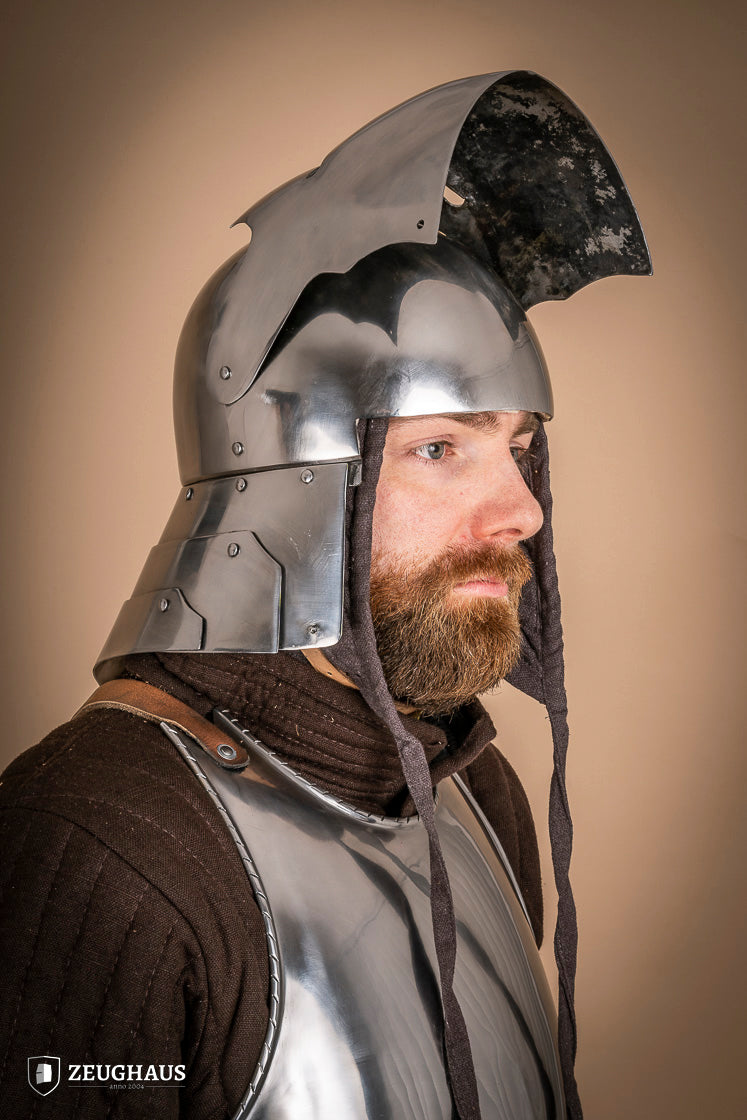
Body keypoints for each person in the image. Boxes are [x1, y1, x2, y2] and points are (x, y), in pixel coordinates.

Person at [0, 71, 650, 1119]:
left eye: (520, 450)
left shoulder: (474, 798)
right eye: (442, 447)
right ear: (290, 484)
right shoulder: (97, 845)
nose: (521, 509)